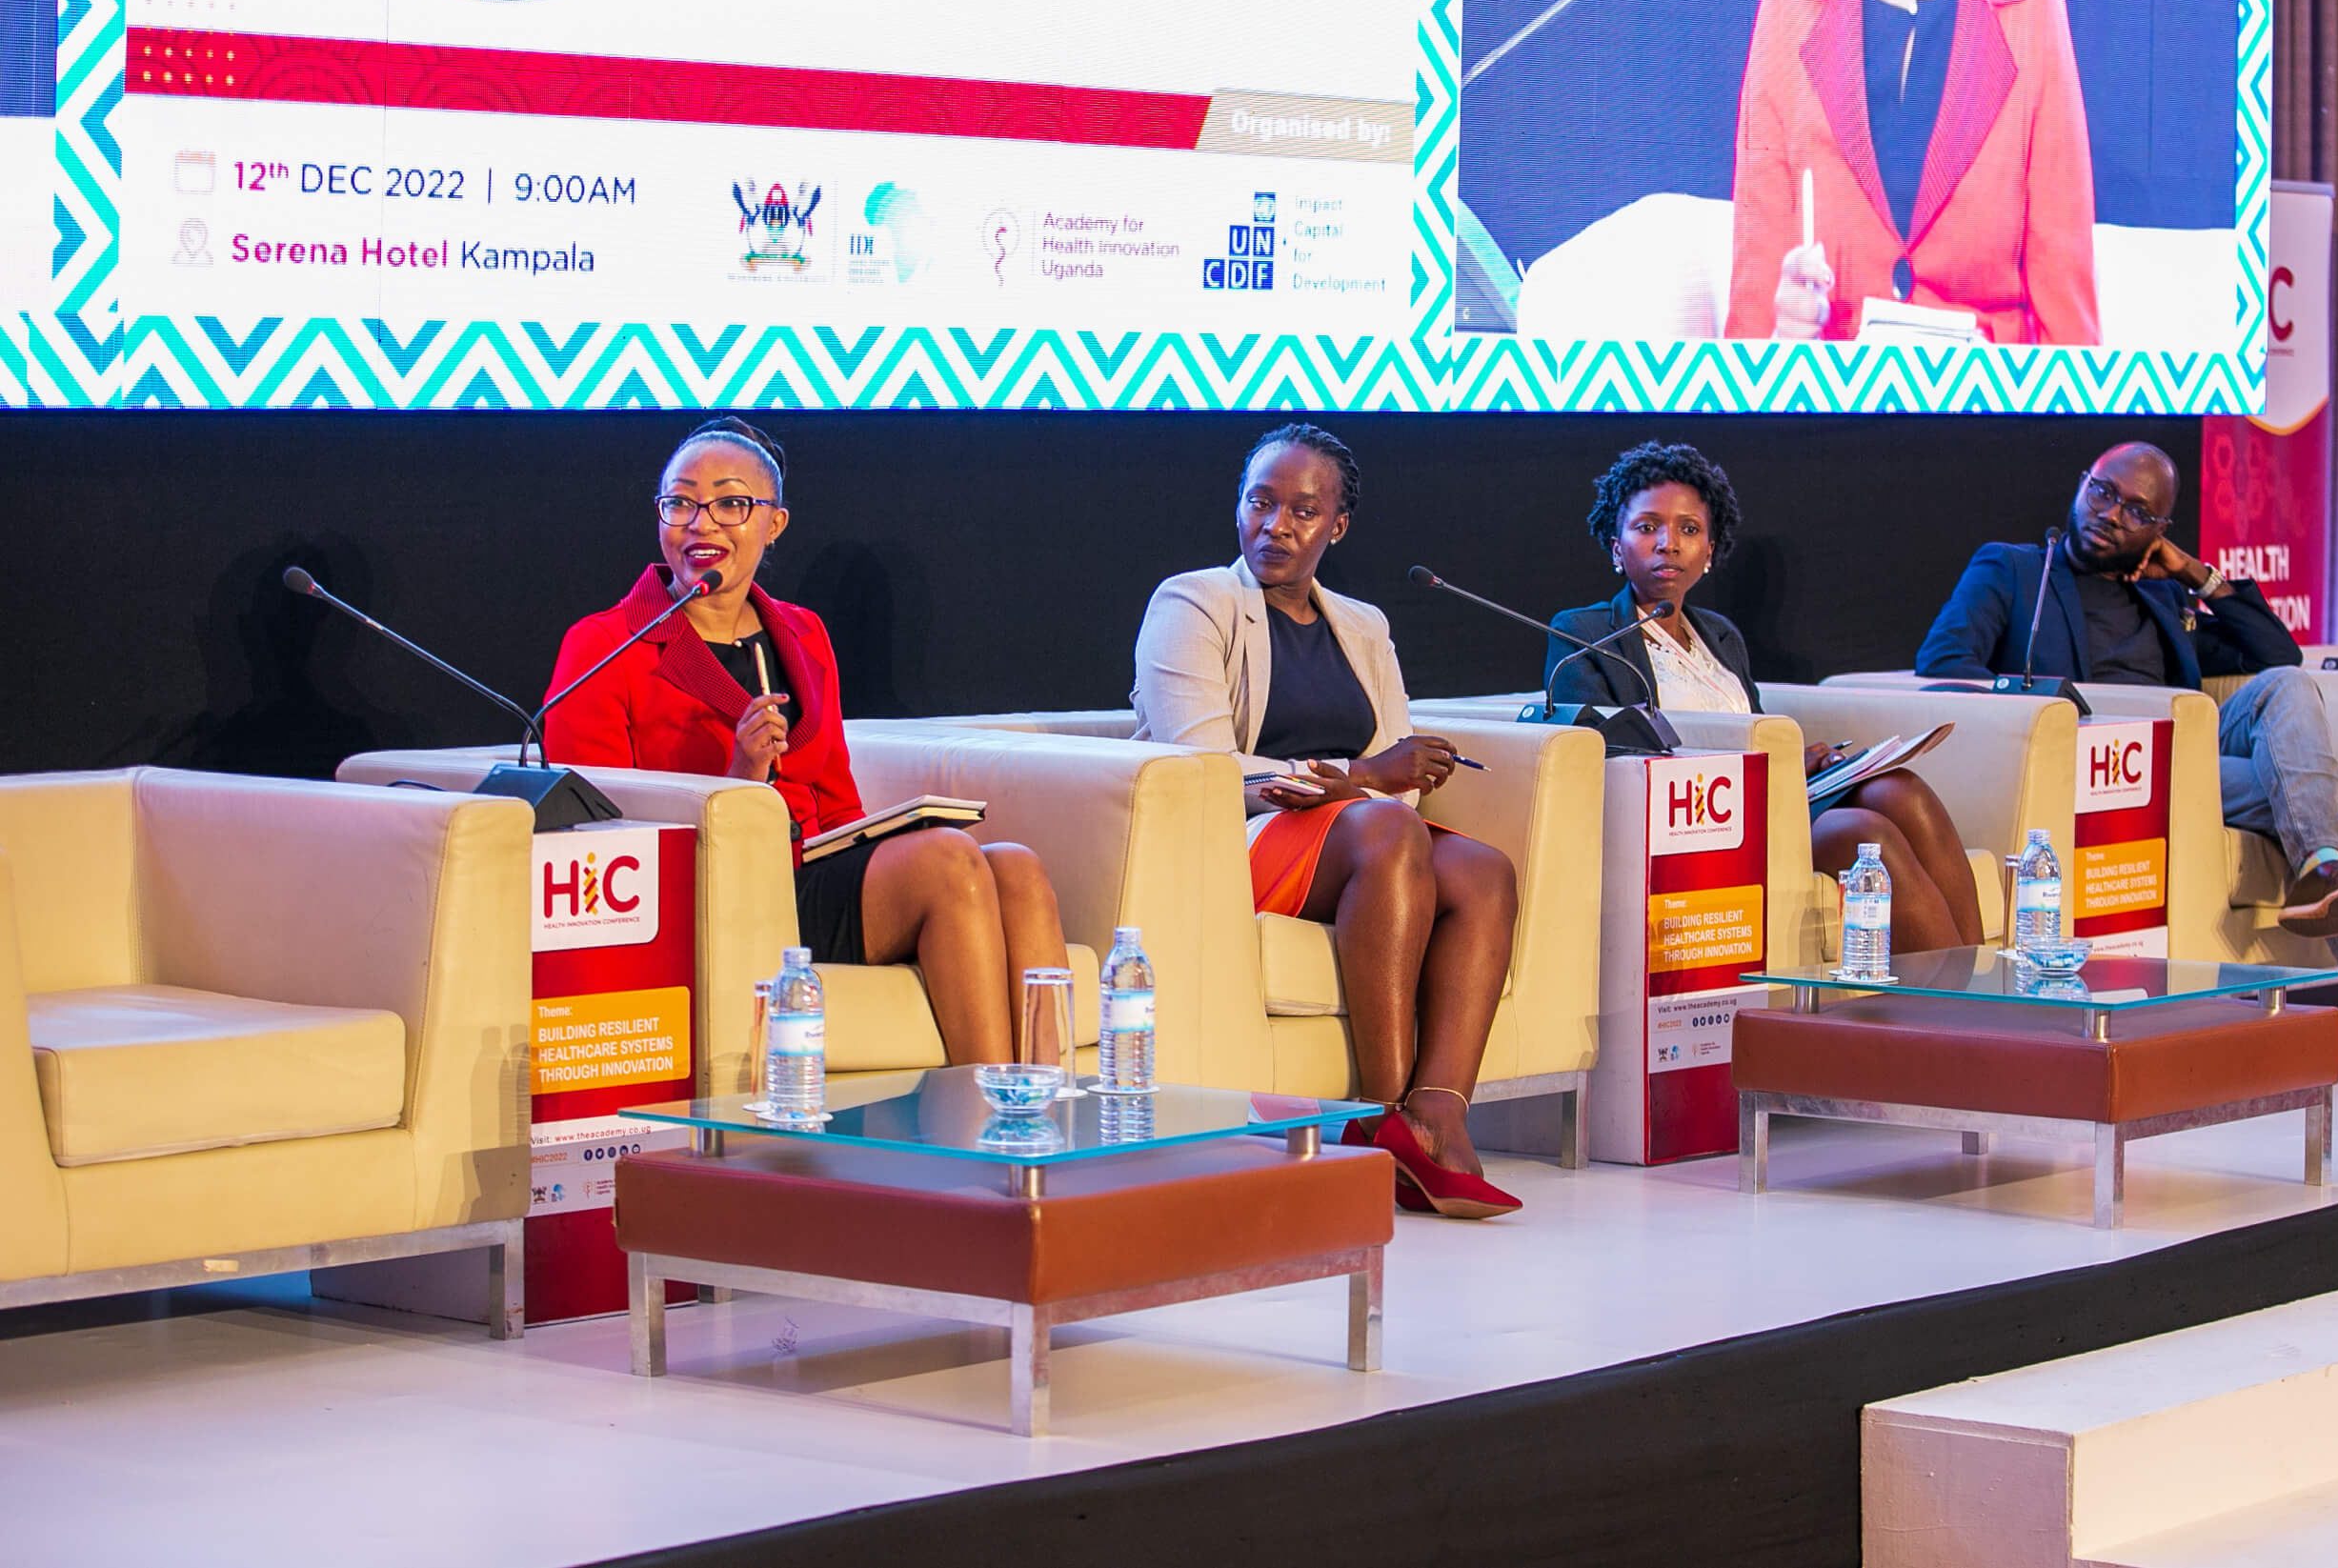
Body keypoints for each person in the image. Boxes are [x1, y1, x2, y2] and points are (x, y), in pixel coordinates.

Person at [1915, 441, 2338, 1077]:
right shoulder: (2012, 570)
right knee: (2308, 793)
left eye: (2137, 511)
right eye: (2103, 492)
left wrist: (2195, 574)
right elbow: (1943, 661)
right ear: (2083, 483)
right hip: (2104, 763)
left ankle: (2326, 871)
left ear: (2160, 530)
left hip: (2189, 757)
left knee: (2285, 687)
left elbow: (2276, 653)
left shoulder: (2161, 596)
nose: (2110, 513)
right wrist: (2055, 705)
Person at [545, 416, 1067, 1066]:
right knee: (948, 863)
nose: (702, 524)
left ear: (774, 523)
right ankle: (985, 1111)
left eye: (730, 504)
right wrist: (739, 778)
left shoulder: (802, 634)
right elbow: (594, 835)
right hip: (716, 891)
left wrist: (880, 842)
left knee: (1016, 868)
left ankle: (1047, 1107)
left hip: (813, 870)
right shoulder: (604, 645)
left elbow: (838, 800)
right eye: (680, 503)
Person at [1132, 424, 1522, 1219]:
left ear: (1336, 525)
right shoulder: (1193, 603)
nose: (1275, 525)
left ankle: (1439, 1116)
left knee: (1484, 870)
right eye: (1260, 502)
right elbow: (1202, 769)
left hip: (1357, 840)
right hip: (1234, 840)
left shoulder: (1363, 625)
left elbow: (1399, 772)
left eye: (1302, 511)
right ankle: (1381, 1116)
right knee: (1385, 828)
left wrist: (1380, 782)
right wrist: (1361, 779)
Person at [1547, 441, 1985, 953]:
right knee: (1863, 830)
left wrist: (1795, 762)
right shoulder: (1585, 633)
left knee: (1898, 789)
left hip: (1766, 803)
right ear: (1617, 547)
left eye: (1689, 529)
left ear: (1710, 551)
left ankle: (1984, 977)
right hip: (1691, 824)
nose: (1669, 544)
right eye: (1647, 528)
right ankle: (1957, 996)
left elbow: (1748, 729)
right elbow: (1601, 759)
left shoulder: (1719, 635)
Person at [1725, 0, 2098, 346]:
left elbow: (2071, 339)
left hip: (1984, 396)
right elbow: (1751, 324)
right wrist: (1783, 340)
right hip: (1830, 394)